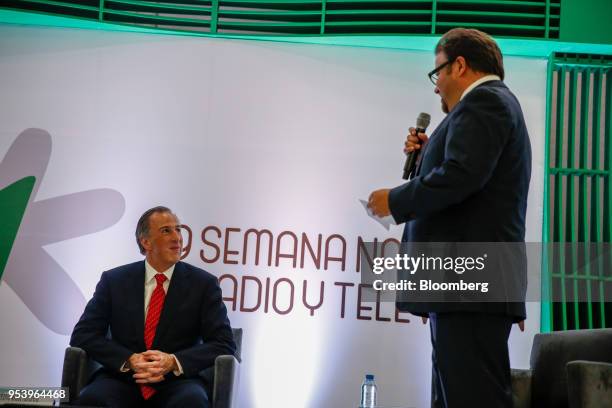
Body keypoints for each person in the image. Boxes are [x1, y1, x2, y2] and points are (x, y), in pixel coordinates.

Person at [367, 28, 531, 407]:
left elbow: (461, 176)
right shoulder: (489, 106)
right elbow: (469, 175)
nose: (436, 85)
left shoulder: (485, 102)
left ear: (460, 65)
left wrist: (395, 199)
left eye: (437, 72)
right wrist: (429, 153)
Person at [70, 206, 236, 408]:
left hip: (178, 382)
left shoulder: (204, 284)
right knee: (92, 400)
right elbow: (83, 334)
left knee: (192, 403)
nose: (177, 238)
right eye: (166, 230)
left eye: (178, 229)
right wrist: (129, 359)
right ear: (146, 242)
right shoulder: (114, 281)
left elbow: (224, 343)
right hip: (122, 379)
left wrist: (173, 361)